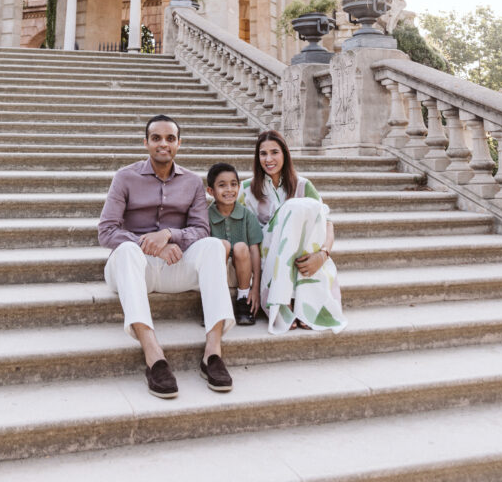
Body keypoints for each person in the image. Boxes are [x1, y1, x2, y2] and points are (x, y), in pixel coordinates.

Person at [98, 114, 235, 399]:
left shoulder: (193, 183)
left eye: (170, 138)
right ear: (146, 142)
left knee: (212, 246)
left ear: (178, 144)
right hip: (134, 268)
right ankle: (154, 355)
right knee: (124, 250)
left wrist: (170, 235)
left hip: (174, 267)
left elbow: (200, 229)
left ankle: (213, 353)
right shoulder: (125, 177)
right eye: (157, 138)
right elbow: (107, 231)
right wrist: (152, 244)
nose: (163, 144)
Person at [239, 129, 347, 335]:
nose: (268, 159)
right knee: (291, 209)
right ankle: (284, 301)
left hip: (301, 251)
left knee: (305, 209)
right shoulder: (246, 189)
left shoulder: (304, 185)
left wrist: (323, 254)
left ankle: (307, 305)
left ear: (285, 154)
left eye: (274, 152)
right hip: (268, 252)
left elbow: (326, 223)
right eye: (263, 154)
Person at [206, 162, 263, 326]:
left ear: (239, 187)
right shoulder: (205, 216)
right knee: (220, 245)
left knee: (241, 247)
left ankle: (243, 299)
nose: (229, 190)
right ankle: (214, 301)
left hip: (243, 271)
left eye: (233, 184)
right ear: (210, 191)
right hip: (216, 272)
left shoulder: (247, 215)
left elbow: (254, 252)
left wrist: (256, 287)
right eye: (222, 185)